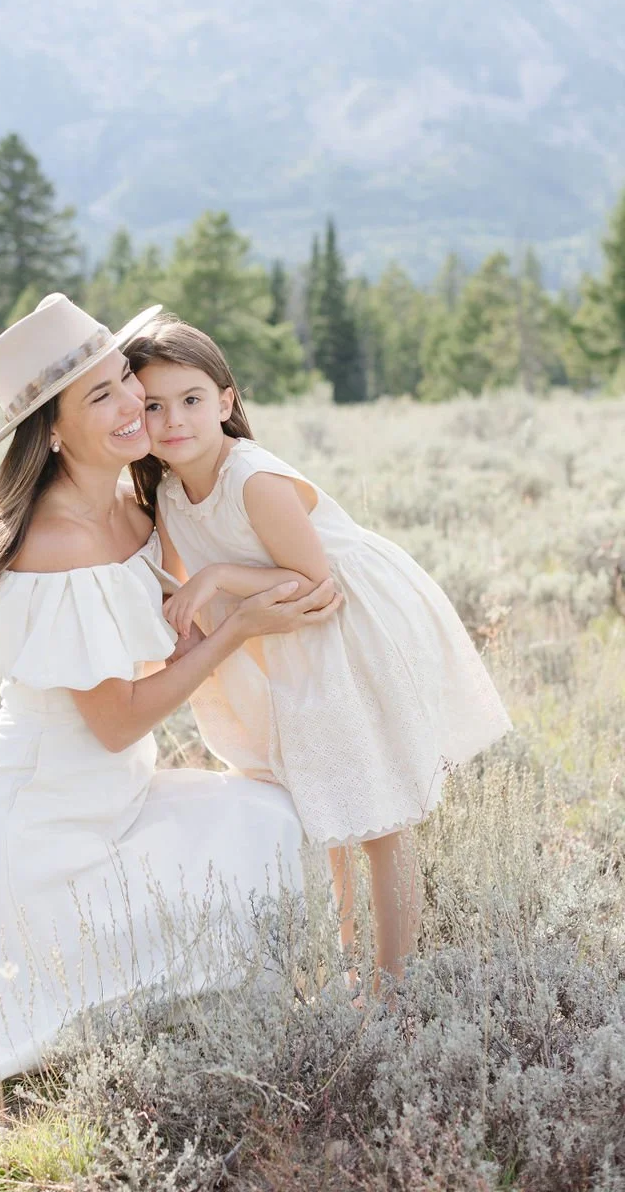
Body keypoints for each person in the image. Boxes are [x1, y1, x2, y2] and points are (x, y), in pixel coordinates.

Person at [0, 295, 342, 1092]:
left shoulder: (129, 506)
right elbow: (117, 722)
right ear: (52, 429)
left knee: (272, 820)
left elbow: (159, 639)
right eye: (100, 396)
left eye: (125, 378)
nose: (132, 406)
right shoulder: (59, 538)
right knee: (56, 993)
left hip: (115, 798)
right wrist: (237, 629)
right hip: (44, 826)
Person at [124, 315, 512, 991]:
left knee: (379, 815)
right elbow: (184, 574)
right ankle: (349, 965)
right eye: (153, 405)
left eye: (190, 399)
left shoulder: (252, 478)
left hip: (345, 624)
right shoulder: (166, 492)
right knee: (326, 807)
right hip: (286, 635)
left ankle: (394, 989)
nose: (174, 419)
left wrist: (215, 581)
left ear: (225, 401)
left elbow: (315, 581)